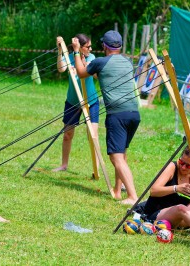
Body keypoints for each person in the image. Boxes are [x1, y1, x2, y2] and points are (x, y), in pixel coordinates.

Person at [72, 30, 140, 204]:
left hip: (117, 115)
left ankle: (132, 196)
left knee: (116, 157)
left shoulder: (100, 62)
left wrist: (76, 51)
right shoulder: (128, 62)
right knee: (121, 154)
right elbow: (102, 74)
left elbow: (81, 72)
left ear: (104, 46)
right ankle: (117, 191)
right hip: (134, 113)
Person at [53, 34, 99, 172]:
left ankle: (96, 168)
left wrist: (82, 63)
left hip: (91, 102)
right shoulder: (69, 57)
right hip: (73, 101)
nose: (90, 48)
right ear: (79, 46)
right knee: (67, 135)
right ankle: (64, 165)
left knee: (92, 135)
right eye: (88, 46)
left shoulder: (91, 58)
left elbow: (90, 72)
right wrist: (60, 50)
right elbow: (61, 69)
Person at [140, 146, 190, 232]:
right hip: (157, 213)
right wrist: (176, 188)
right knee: (181, 208)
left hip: (180, 213)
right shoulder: (172, 167)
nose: (183, 167)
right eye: (181, 162)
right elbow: (153, 191)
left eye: (188, 166)